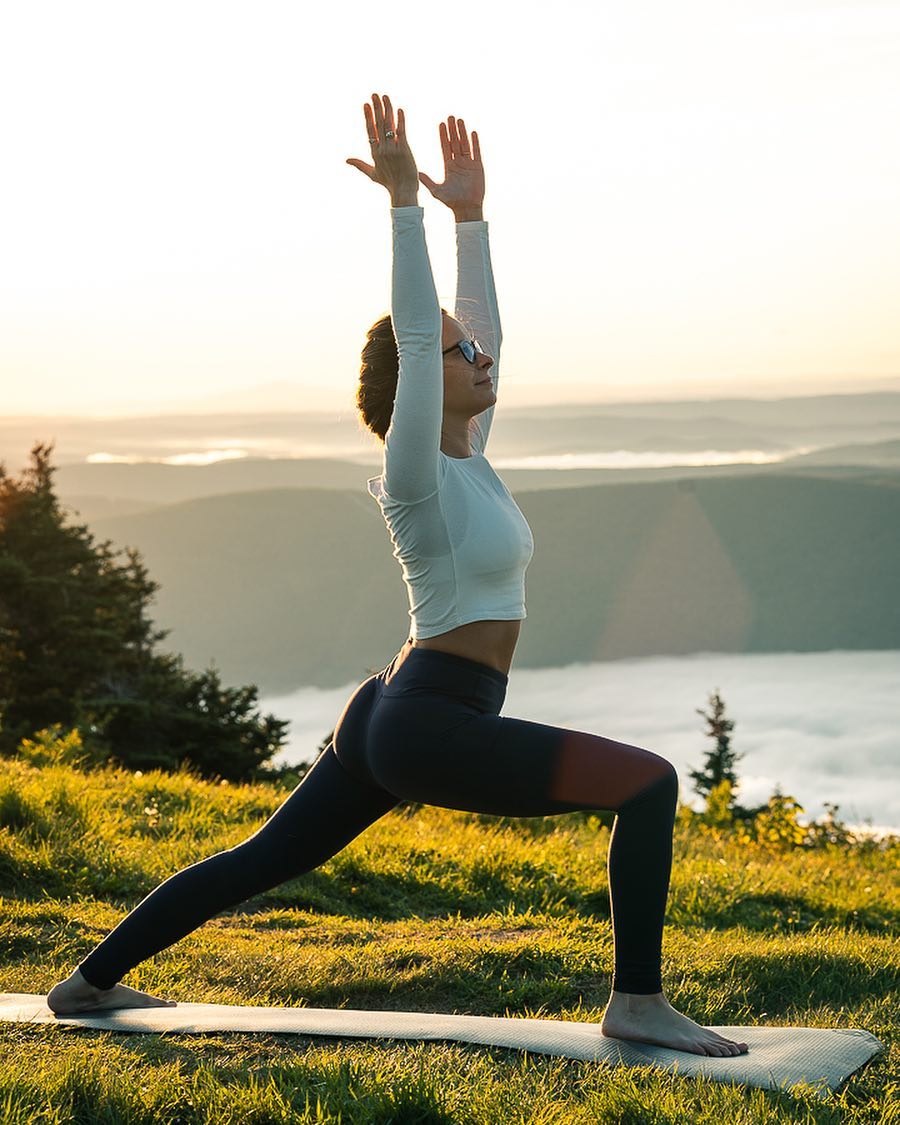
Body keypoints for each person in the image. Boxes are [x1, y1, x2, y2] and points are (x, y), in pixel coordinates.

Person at [47, 93, 747, 1059]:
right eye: (463, 354)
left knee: (262, 860)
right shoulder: (416, 474)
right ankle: (636, 1000)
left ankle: (84, 985)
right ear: (424, 381)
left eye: (475, 347)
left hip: (392, 707)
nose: (478, 353)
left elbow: (469, 327)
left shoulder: (470, 454)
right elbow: (424, 338)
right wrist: (404, 207)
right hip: (427, 720)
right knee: (650, 784)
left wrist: (472, 217)